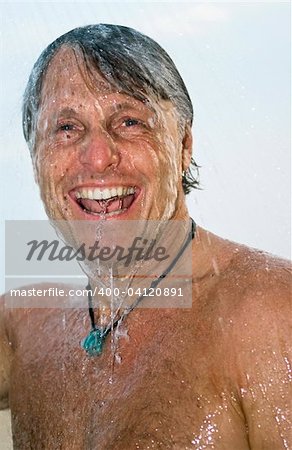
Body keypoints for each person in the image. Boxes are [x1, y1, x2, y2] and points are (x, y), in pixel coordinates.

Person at [0, 24, 291, 450]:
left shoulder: (270, 317)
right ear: (35, 158)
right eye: (66, 128)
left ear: (184, 145)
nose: (98, 157)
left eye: (130, 121)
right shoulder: (23, 328)